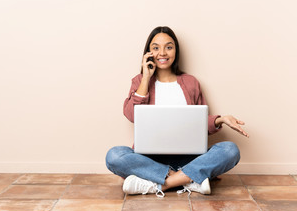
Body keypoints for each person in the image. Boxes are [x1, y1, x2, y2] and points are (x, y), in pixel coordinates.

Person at [106, 26, 249, 198]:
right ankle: (189, 180)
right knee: (114, 155)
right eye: (156, 48)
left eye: (169, 47)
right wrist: (145, 77)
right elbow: (131, 115)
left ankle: (159, 184)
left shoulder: (190, 82)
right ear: (148, 52)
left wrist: (221, 120)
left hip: (188, 159)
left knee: (230, 150)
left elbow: (198, 125)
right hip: (150, 160)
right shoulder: (139, 81)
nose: (162, 53)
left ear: (176, 51)